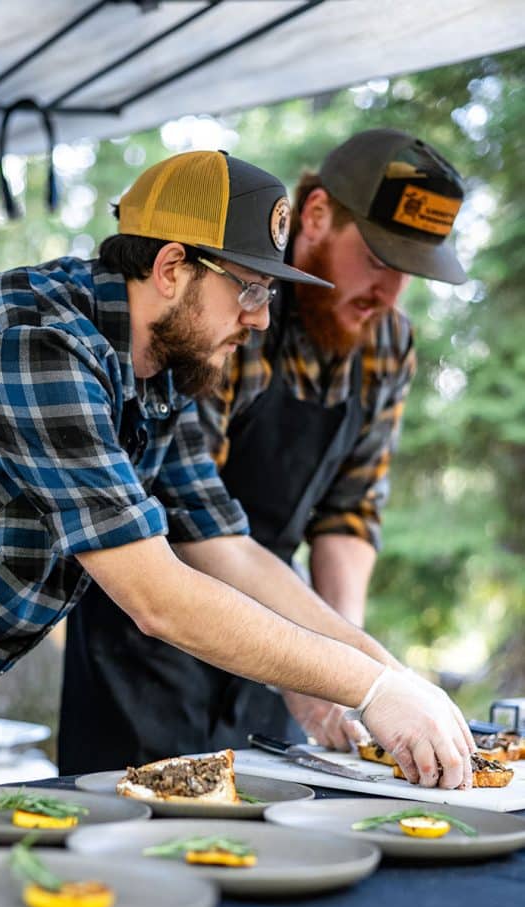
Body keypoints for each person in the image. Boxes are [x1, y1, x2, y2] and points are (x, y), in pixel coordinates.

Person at [0, 149, 473, 802]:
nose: (259, 317)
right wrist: (368, 689)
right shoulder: (38, 343)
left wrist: (392, 677)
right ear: (172, 267)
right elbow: (158, 597)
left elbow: (226, 548)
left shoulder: (157, 375)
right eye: (249, 288)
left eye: (268, 294)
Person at [58, 129, 469, 773]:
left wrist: (372, 673)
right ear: (316, 216)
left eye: (407, 274)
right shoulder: (184, 327)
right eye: (378, 261)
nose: (389, 295)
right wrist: (356, 680)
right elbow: (167, 566)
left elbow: (300, 523)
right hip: (145, 643)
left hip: (271, 615)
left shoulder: (380, 342)